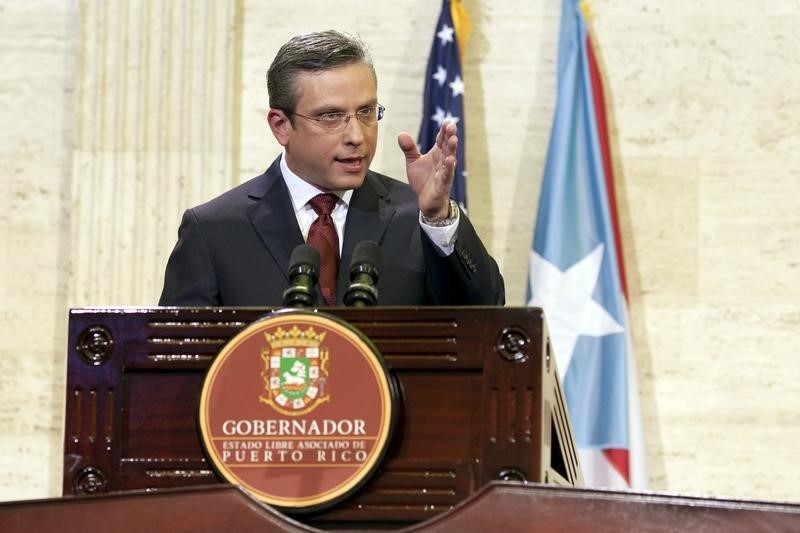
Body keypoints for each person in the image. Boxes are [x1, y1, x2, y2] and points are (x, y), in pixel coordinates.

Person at [159, 30, 504, 307]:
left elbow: (487, 315)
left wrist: (439, 217)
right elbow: (178, 370)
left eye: (366, 112)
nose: (356, 135)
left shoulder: (418, 216)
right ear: (281, 126)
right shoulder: (214, 231)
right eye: (330, 116)